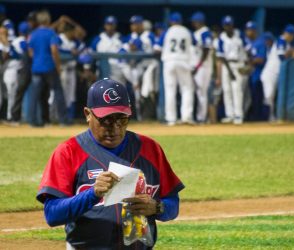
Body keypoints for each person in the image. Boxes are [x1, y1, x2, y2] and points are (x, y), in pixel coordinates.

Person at [37, 78, 184, 249]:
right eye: (106, 120)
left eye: (121, 119)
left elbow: (173, 204)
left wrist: (157, 207)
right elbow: (52, 215)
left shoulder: (150, 149)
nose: (114, 128)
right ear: (87, 114)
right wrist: (92, 194)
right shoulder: (68, 152)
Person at [154, 12, 195, 125]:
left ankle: (171, 119)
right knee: (187, 89)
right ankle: (186, 117)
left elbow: (156, 48)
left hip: (169, 62)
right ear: (181, 21)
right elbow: (195, 45)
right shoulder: (187, 31)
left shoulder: (167, 32)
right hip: (184, 61)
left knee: (170, 90)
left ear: (171, 21)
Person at [28, 9, 67, 126]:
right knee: (58, 91)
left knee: (35, 95)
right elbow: (54, 50)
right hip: (49, 66)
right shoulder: (50, 33)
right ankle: (63, 121)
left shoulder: (33, 34)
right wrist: (58, 66)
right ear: (47, 19)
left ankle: (32, 121)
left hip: (36, 67)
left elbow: (30, 52)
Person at [260, 24, 294, 121]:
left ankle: (272, 117)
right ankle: (267, 118)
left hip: (277, 74)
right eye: (291, 35)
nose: (292, 37)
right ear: (287, 34)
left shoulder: (287, 44)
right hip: (270, 73)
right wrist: (292, 52)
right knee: (268, 96)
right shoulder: (281, 41)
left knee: (273, 96)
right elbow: (281, 57)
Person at [215, 15, 247, 125]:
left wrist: (248, 64)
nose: (228, 27)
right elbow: (221, 56)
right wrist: (229, 71)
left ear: (232, 25)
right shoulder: (221, 38)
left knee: (237, 90)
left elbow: (247, 50)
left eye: (229, 24)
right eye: (226, 25)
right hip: (226, 65)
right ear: (223, 26)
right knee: (227, 90)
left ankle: (238, 115)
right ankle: (230, 115)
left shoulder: (239, 35)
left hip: (238, 64)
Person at [11, 12, 37, 124]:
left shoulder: (22, 40)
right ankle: (14, 118)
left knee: (18, 93)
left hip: (23, 70)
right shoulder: (20, 41)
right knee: (18, 93)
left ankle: (17, 117)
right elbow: (27, 51)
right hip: (19, 70)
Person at [3, 22, 30, 122]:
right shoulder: (22, 41)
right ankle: (10, 117)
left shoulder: (15, 40)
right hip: (11, 71)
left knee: (11, 95)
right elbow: (25, 53)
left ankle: (10, 116)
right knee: (11, 95)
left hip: (12, 71)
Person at [190, 11, 213, 123]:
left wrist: (198, 66)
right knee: (196, 92)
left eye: (195, 22)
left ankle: (201, 118)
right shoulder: (197, 33)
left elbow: (206, 50)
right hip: (196, 66)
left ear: (200, 22)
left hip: (203, 67)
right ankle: (198, 117)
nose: (194, 24)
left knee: (201, 92)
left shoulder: (205, 33)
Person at [244, 21, 268, 121]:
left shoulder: (260, 43)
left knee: (257, 98)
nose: (248, 32)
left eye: (250, 30)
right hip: (250, 74)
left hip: (258, 75)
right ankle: (252, 116)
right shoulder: (248, 43)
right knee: (251, 98)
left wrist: (249, 61)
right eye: (247, 30)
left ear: (254, 31)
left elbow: (261, 59)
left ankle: (259, 118)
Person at [57, 22, 80, 123]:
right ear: (68, 31)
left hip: (71, 70)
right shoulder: (60, 38)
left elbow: (83, 49)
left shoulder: (74, 42)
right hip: (62, 69)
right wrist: (70, 52)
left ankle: (69, 118)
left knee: (70, 95)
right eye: (73, 31)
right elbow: (55, 49)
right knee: (60, 94)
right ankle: (57, 117)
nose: (75, 33)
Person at [91, 16, 124, 83]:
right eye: (108, 24)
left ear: (115, 25)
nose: (110, 27)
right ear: (105, 25)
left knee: (118, 91)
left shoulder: (121, 38)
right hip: (101, 69)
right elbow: (90, 54)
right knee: (103, 91)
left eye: (112, 24)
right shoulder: (98, 38)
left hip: (118, 70)